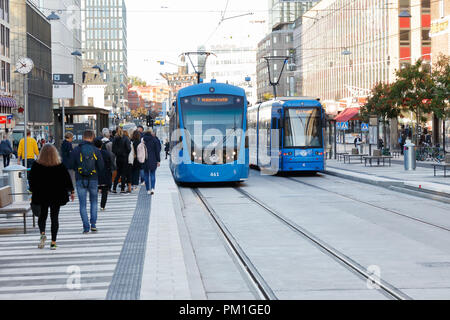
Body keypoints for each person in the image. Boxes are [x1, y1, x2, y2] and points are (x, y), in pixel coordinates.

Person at [29, 144, 74, 250]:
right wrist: (71, 191)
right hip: (56, 195)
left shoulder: (36, 165)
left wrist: (32, 190)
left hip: (41, 195)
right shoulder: (60, 165)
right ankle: (53, 242)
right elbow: (67, 179)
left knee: (42, 215)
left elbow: (31, 180)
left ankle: (42, 234)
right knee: (54, 218)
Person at [70, 130, 104, 234]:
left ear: (83, 137)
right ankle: (93, 224)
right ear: (92, 137)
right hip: (93, 179)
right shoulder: (95, 150)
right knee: (94, 202)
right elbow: (101, 166)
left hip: (80, 180)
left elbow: (71, 165)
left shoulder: (76, 150)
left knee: (82, 204)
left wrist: (78, 170)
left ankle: (86, 227)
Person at [94, 138, 112, 211]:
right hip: (104, 174)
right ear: (101, 145)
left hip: (94, 175)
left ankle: (94, 205)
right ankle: (102, 206)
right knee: (104, 191)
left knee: (94, 191)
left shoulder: (92, 153)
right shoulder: (106, 153)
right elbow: (109, 165)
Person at [112, 127, 131, 194]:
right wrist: (126, 153)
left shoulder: (115, 139)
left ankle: (114, 188)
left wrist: (117, 153)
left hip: (118, 158)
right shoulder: (126, 138)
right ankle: (122, 188)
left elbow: (113, 149)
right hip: (124, 158)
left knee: (118, 173)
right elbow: (129, 148)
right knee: (123, 174)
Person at [143, 129, 161, 195]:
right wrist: (158, 160)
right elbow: (157, 151)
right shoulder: (154, 140)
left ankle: (148, 189)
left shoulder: (143, 140)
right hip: (153, 160)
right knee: (152, 174)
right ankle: (153, 188)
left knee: (146, 175)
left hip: (144, 160)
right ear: (151, 133)